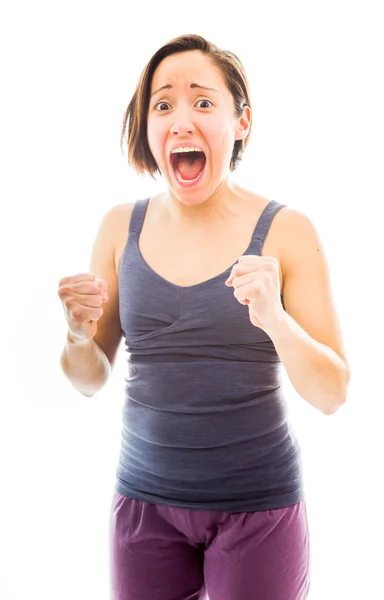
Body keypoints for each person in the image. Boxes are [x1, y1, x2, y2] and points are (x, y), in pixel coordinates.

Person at [58, 34, 350, 600]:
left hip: (258, 508)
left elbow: (334, 392)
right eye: (163, 105)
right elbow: (89, 379)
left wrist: (275, 320)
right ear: (147, 130)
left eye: (203, 101)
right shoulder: (120, 227)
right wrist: (75, 336)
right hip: (143, 507)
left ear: (241, 122)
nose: (181, 118)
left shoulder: (288, 231)